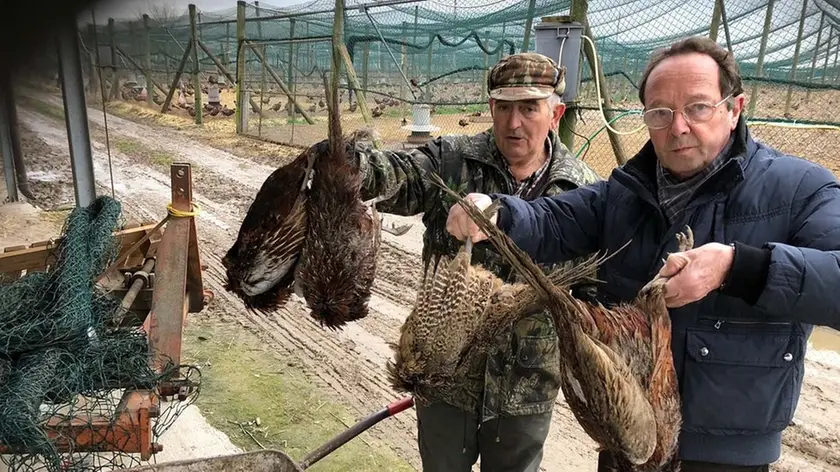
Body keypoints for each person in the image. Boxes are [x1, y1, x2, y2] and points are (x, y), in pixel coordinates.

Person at [444, 36, 840, 472]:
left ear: (735, 107)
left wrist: (737, 266)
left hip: (724, 456)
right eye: (660, 112)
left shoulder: (802, 189)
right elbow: (551, 219)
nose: (678, 127)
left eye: (698, 107)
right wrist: (495, 211)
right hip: (627, 438)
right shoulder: (625, 193)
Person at [346, 52, 602, 470]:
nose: (513, 122)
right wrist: (346, 164)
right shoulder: (452, 162)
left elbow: (593, 297)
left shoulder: (582, 190)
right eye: (504, 107)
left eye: (529, 108)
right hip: (446, 375)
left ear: (556, 113)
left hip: (526, 387)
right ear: (491, 109)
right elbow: (396, 176)